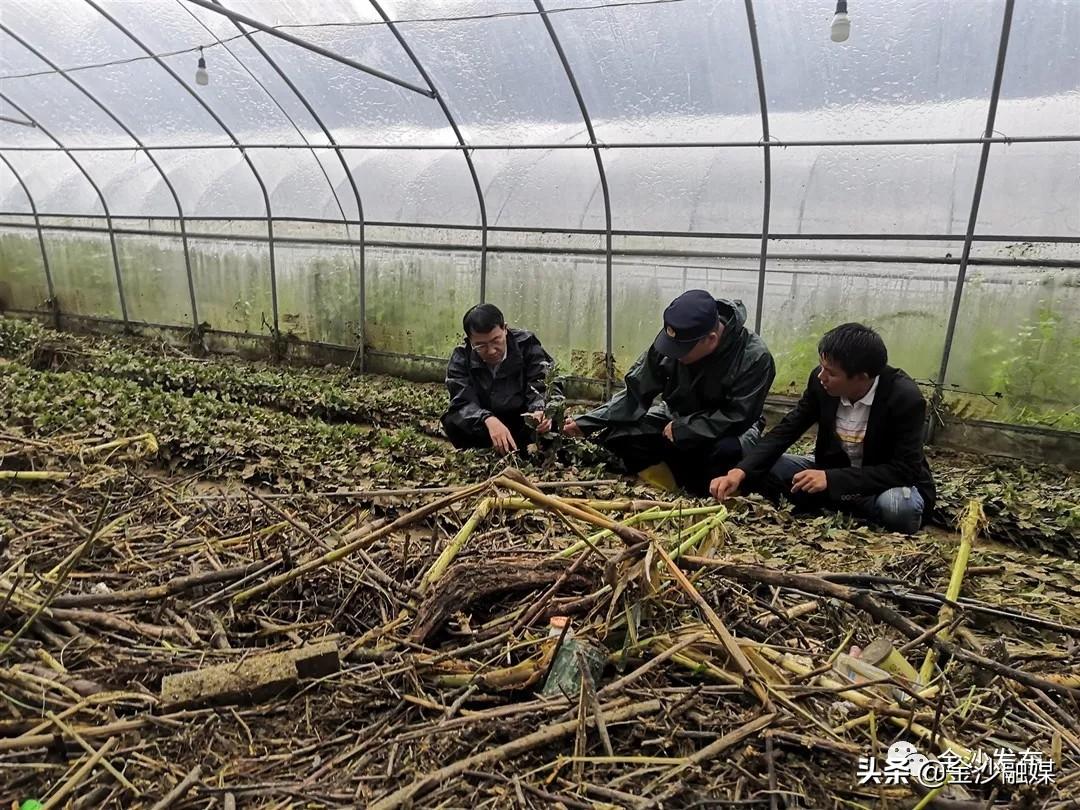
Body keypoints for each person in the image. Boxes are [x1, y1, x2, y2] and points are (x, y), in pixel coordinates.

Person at [708, 323, 936, 534]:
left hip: (882, 484)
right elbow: (789, 427)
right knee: (765, 463)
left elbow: (903, 470)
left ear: (862, 378)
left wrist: (832, 479)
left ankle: (845, 503)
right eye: (822, 367)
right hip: (832, 468)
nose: (821, 376)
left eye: (831, 373)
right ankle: (849, 504)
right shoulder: (820, 384)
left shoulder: (904, 398)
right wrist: (740, 471)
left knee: (899, 507)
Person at [563, 289, 775, 494]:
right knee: (618, 436)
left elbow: (739, 416)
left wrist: (686, 428)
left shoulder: (754, 357)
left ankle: (704, 487)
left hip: (731, 430)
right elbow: (635, 394)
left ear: (710, 339)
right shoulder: (674, 340)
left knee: (725, 453)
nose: (674, 355)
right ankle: (673, 484)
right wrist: (587, 422)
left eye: (681, 351)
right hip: (674, 417)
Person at [441, 303, 562, 454]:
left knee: (553, 418)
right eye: (480, 345)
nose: (491, 351)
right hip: (486, 426)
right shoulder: (461, 357)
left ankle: (528, 449)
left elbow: (544, 382)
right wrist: (487, 419)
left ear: (505, 328)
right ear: (470, 340)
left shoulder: (527, 345)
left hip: (522, 419)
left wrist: (540, 409)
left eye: (496, 340)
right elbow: (462, 401)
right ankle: (485, 450)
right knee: (453, 421)